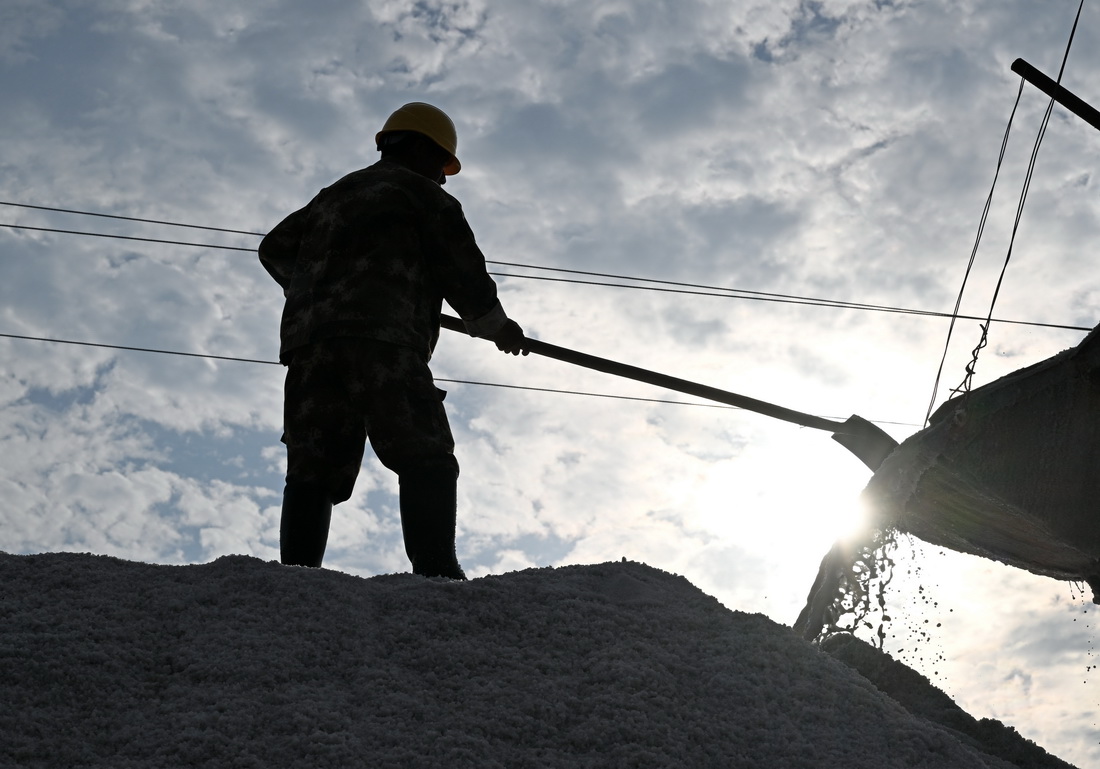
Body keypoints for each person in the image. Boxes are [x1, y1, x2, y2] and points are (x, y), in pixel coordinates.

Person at [258, 102, 527, 579]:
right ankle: (437, 574)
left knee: (314, 464)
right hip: (384, 342)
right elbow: (463, 273)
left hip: (311, 346)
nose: (444, 178)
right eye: (442, 165)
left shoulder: (332, 196)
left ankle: (296, 579)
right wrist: (498, 328)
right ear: (422, 147)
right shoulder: (422, 196)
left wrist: (320, 291)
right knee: (424, 451)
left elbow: (274, 248)